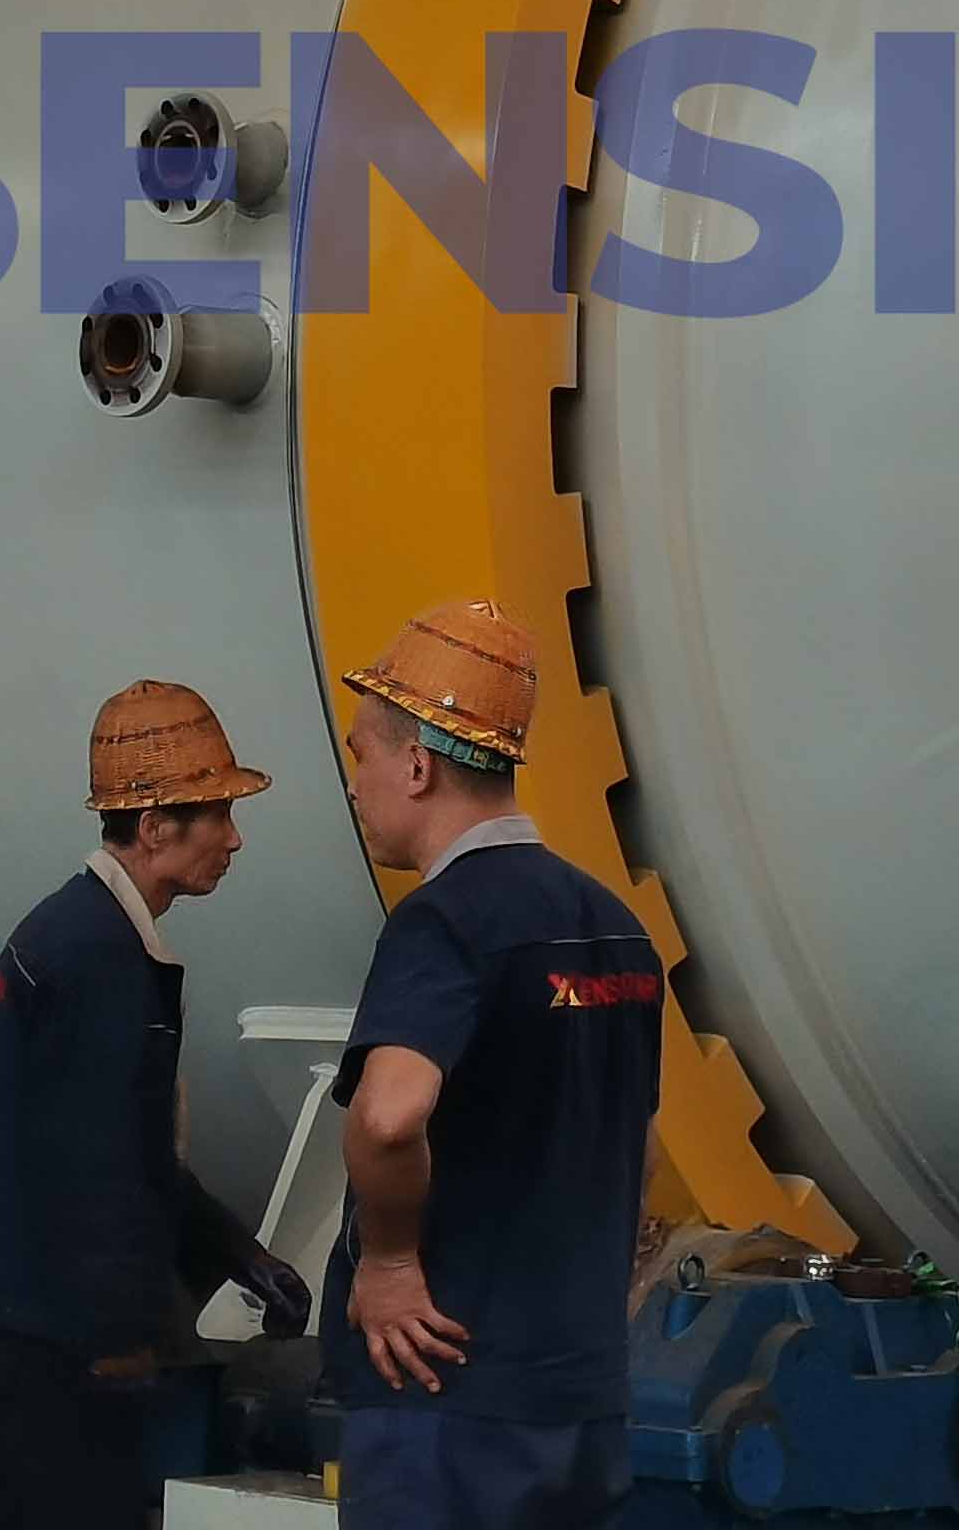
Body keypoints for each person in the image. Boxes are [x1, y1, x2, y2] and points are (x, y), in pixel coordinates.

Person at [0, 681, 311, 1530]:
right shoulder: (97, 953)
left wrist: (236, 1254)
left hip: (26, 1328)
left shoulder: (85, 933)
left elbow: (130, 1150)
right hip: (50, 1344)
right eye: (218, 814)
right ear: (155, 827)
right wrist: (118, 1333)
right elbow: (91, 1164)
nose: (235, 838)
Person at [324, 601, 661, 1530]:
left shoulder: (444, 921)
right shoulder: (618, 928)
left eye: (362, 754)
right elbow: (638, 1143)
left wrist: (390, 1262)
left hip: (448, 1401)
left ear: (418, 766)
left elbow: (388, 1117)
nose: (354, 784)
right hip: (580, 1400)